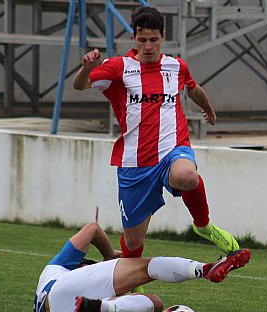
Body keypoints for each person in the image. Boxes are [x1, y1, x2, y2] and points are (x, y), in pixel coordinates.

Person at [72, 6, 239, 264]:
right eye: (142, 40)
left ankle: (203, 225)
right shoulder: (118, 67)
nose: (148, 46)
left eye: (153, 40)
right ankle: (133, 286)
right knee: (132, 243)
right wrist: (86, 68)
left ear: (162, 36)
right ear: (134, 38)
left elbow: (193, 89)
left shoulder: (176, 66)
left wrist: (209, 110)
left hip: (172, 150)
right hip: (134, 163)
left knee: (187, 175)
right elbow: (79, 86)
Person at [33, 222, 251, 312]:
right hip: (68, 304)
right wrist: (108, 256)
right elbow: (93, 229)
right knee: (148, 268)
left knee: (155, 304)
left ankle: (105, 307)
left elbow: (92, 229)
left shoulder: (52, 271)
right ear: (85, 265)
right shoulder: (64, 269)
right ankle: (203, 269)